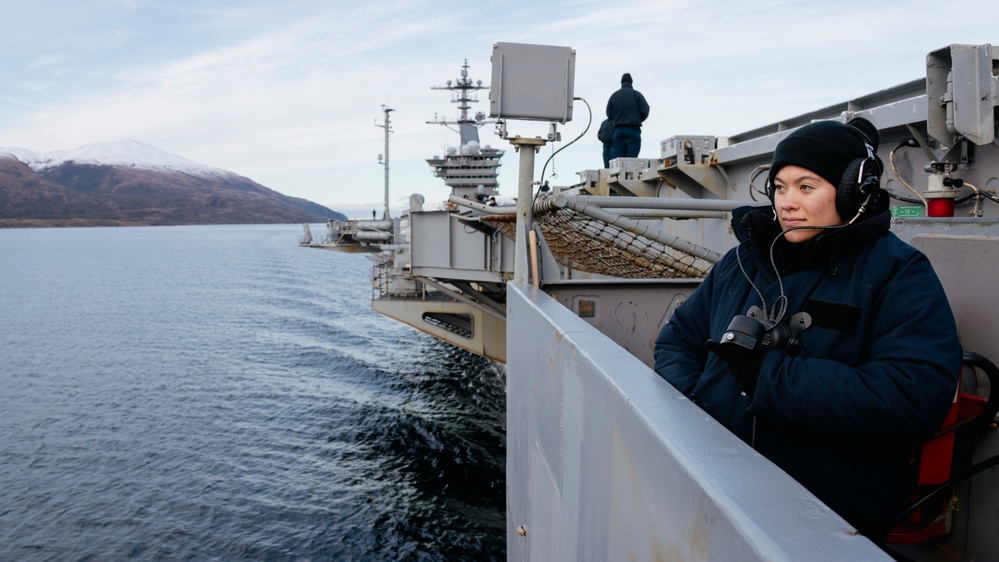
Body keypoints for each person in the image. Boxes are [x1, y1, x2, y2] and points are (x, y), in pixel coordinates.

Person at [652, 117, 962, 541]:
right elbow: (676, 341)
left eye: (806, 187)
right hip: (717, 485)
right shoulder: (740, 262)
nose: (787, 203)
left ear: (853, 191)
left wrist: (769, 378)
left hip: (827, 518)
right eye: (779, 187)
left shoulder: (898, 273)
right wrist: (699, 405)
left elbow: (914, 394)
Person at [606, 73, 649, 160]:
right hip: (633, 131)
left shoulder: (614, 96)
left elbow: (608, 113)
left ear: (621, 82)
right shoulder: (637, 95)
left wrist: (616, 121)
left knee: (620, 163)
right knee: (631, 163)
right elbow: (645, 110)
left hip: (618, 132)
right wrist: (638, 119)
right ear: (631, 82)